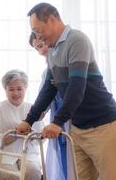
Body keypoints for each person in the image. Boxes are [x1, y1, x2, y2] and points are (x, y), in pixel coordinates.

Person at [16, 3, 116, 180]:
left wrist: (57, 122)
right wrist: (29, 120)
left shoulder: (77, 40)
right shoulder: (53, 51)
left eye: (38, 31)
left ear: (52, 20)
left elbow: (77, 87)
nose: (38, 37)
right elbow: (48, 89)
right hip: (78, 129)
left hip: (104, 126)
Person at [0, 69, 42, 180]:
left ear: (26, 88)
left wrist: (31, 133)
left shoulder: (33, 109)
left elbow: (41, 138)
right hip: (1, 154)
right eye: (11, 89)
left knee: (33, 171)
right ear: (5, 90)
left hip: (27, 153)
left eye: (19, 89)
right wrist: (15, 133)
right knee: (12, 176)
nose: (16, 93)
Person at [29, 33, 71, 180]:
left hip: (73, 119)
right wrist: (32, 119)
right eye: (37, 49)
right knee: (63, 160)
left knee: (77, 164)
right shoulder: (46, 73)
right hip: (57, 123)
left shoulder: (68, 62)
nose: (41, 51)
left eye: (41, 45)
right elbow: (43, 100)